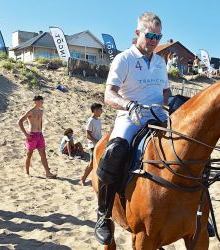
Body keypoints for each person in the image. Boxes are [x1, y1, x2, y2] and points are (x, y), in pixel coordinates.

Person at [94, 12, 172, 245]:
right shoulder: (123, 59)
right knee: (114, 152)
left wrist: (169, 103)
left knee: (192, 147)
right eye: (150, 35)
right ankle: (103, 214)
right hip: (131, 118)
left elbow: (165, 90)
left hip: (159, 116)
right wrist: (128, 104)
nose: (154, 40)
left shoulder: (160, 61)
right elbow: (109, 94)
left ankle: (199, 211)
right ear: (138, 33)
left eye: (158, 37)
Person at [18, 96, 56, 178]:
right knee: (29, 154)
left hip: (39, 135)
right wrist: (26, 134)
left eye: (42, 102)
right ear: (36, 102)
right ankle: (27, 172)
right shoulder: (30, 111)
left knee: (43, 154)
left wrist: (41, 131)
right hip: (32, 134)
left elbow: (40, 122)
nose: (42, 103)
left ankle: (48, 173)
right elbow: (20, 121)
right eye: (41, 102)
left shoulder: (41, 111)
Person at [79, 103, 103, 186]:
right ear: (95, 110)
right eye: (100, 110)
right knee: (92, 163)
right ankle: (83, 179)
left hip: (99, 144)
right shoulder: (91, 120)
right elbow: (88, 134)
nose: (102, 111)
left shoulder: (98, 120)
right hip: (93, 145)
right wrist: (96, 141)